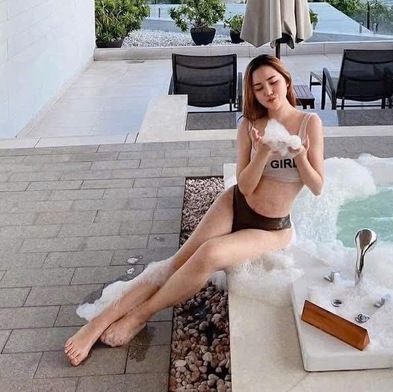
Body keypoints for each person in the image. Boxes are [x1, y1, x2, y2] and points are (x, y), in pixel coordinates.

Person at [65, 54, 324, 366]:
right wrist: (263, 152)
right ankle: (96, 324)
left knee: (208, 254)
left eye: (273, 82)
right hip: (235, 204)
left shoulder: (309, 124)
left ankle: (139, 316)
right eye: (258, 87)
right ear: (252, 93)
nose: (268, 91)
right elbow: (244, 186)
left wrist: (299, 155)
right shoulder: (249, 126)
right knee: (175, 263)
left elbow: (317, 185)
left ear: (286, 81)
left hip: (271, 227)